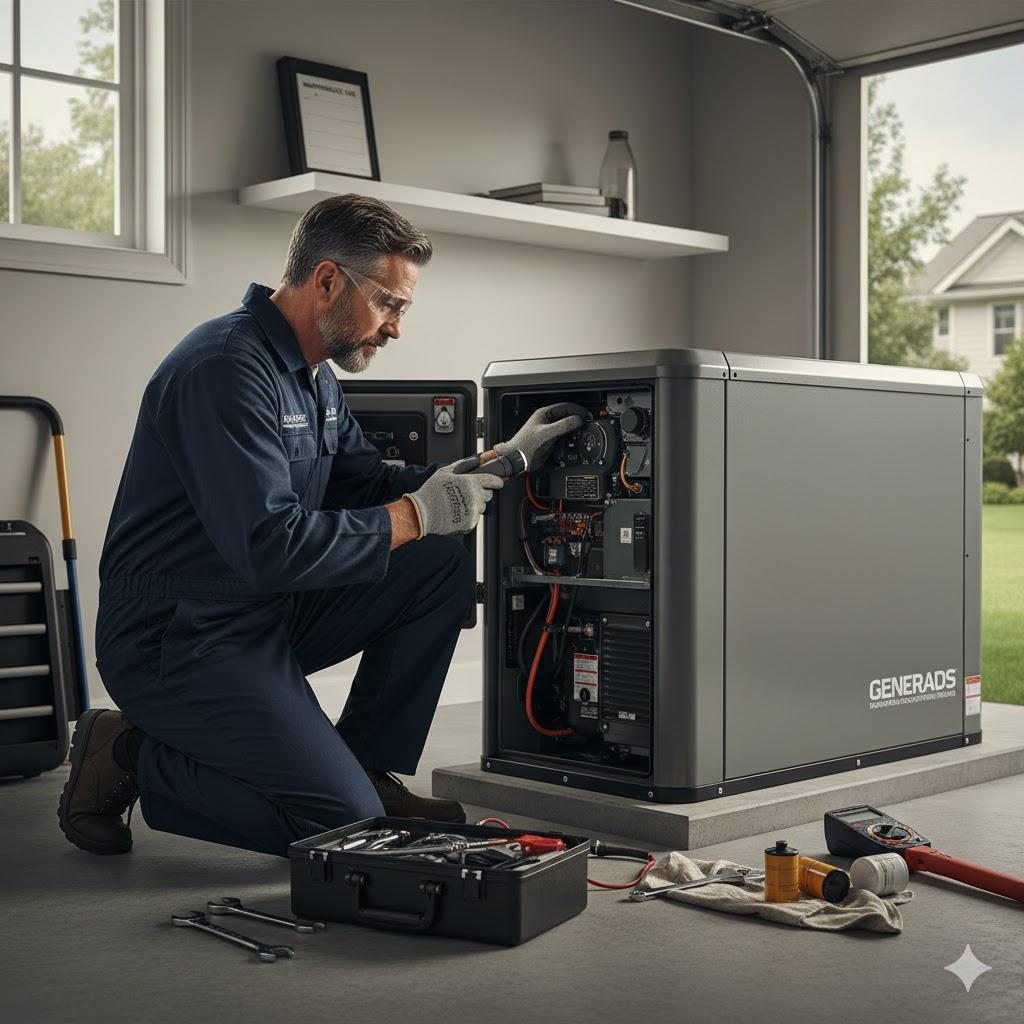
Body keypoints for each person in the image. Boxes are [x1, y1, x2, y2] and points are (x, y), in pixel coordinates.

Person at [57, 194, 582, 857]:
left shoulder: (313, 376)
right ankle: (129, 752)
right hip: (176, 639)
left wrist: (501, 460)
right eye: (390, 303)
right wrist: (419, 514)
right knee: (343, 830)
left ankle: (363, 766)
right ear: (329, 280)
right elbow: (269, 547)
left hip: (259, 615)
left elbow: (367, 483)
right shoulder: (225, 369)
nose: (396, 327)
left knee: (438, 563)